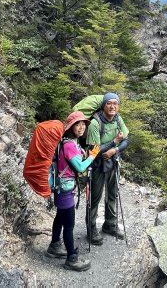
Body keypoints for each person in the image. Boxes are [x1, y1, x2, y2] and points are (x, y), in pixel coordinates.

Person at [46, 111, 100, 271]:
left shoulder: (68, 142)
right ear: (71, 127)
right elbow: (80, 167)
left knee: (60, 217)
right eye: (78, 124)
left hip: (61, 187)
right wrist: (93, 156)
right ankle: (72, 258)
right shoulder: (70, 145)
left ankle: (54, 246)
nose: (82, 126)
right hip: (65, 189)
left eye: (84, 124)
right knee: (69, 225)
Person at [86, 92, 129, 245]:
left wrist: (114, 150)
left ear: (118, 106)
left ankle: (110, 224)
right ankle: (91, 229)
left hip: (113, 161)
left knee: (112, 194)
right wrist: (113, 143)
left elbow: (125, 140)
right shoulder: (95, 123)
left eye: (115, 104)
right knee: (95, 197)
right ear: (103, 105)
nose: (112, 106)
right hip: (97, 164)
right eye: (109, 103)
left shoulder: (118, 119)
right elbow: (95, 150)